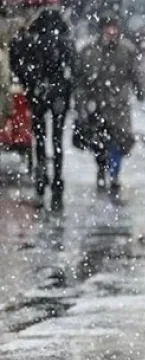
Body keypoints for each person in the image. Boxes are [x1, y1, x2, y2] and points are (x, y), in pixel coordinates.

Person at [11, 8, 75, 209]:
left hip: (39, 93)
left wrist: (32, 83)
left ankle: (41, 175)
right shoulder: (63, 37)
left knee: (40, 137)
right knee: (56, 139)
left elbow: (18, 62)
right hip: (58, 94)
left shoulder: (32, 38)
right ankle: (57, 179)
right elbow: (73, 66)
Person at [75, 13, 145, 195]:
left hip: (118, 105)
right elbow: (81, 79)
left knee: (119, 141)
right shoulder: (90, 50)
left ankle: (114, 174)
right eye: (108, 27)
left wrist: (140, 90)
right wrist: (82, 103)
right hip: (96, 104)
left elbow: (135, 73)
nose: (111, 31)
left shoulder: (126, 50)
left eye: (114, 27)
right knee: (99, 142)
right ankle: (101, 169)